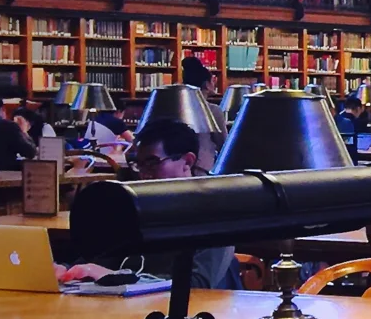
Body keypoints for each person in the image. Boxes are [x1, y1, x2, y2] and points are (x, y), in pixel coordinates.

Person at [60, 119, 242, 290]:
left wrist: (117, 278)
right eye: (139, 164)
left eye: (152, 163)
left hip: (198, 310)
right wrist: (67, 270)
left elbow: (197, 285)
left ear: (187, 161)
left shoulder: (216, 215)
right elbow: (102, 259)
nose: (143, 174)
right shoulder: (134, 207)